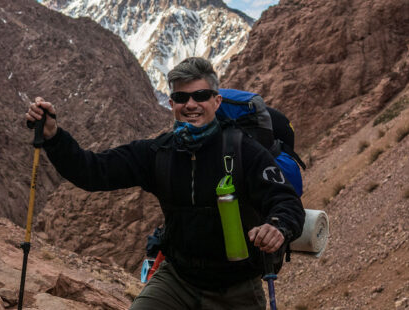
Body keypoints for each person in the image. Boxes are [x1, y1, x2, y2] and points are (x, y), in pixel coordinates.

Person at [26, 57, 305, 309]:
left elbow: (286, 201)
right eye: (182, 97)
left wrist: (277, 226)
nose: (191, 104)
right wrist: (54, 136)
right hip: (178, 280)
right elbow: (92, 172)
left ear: (216, 101)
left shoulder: (245, 151)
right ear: (172, 104)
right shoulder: (157, 153)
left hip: (237, 287)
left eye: (201, 95)